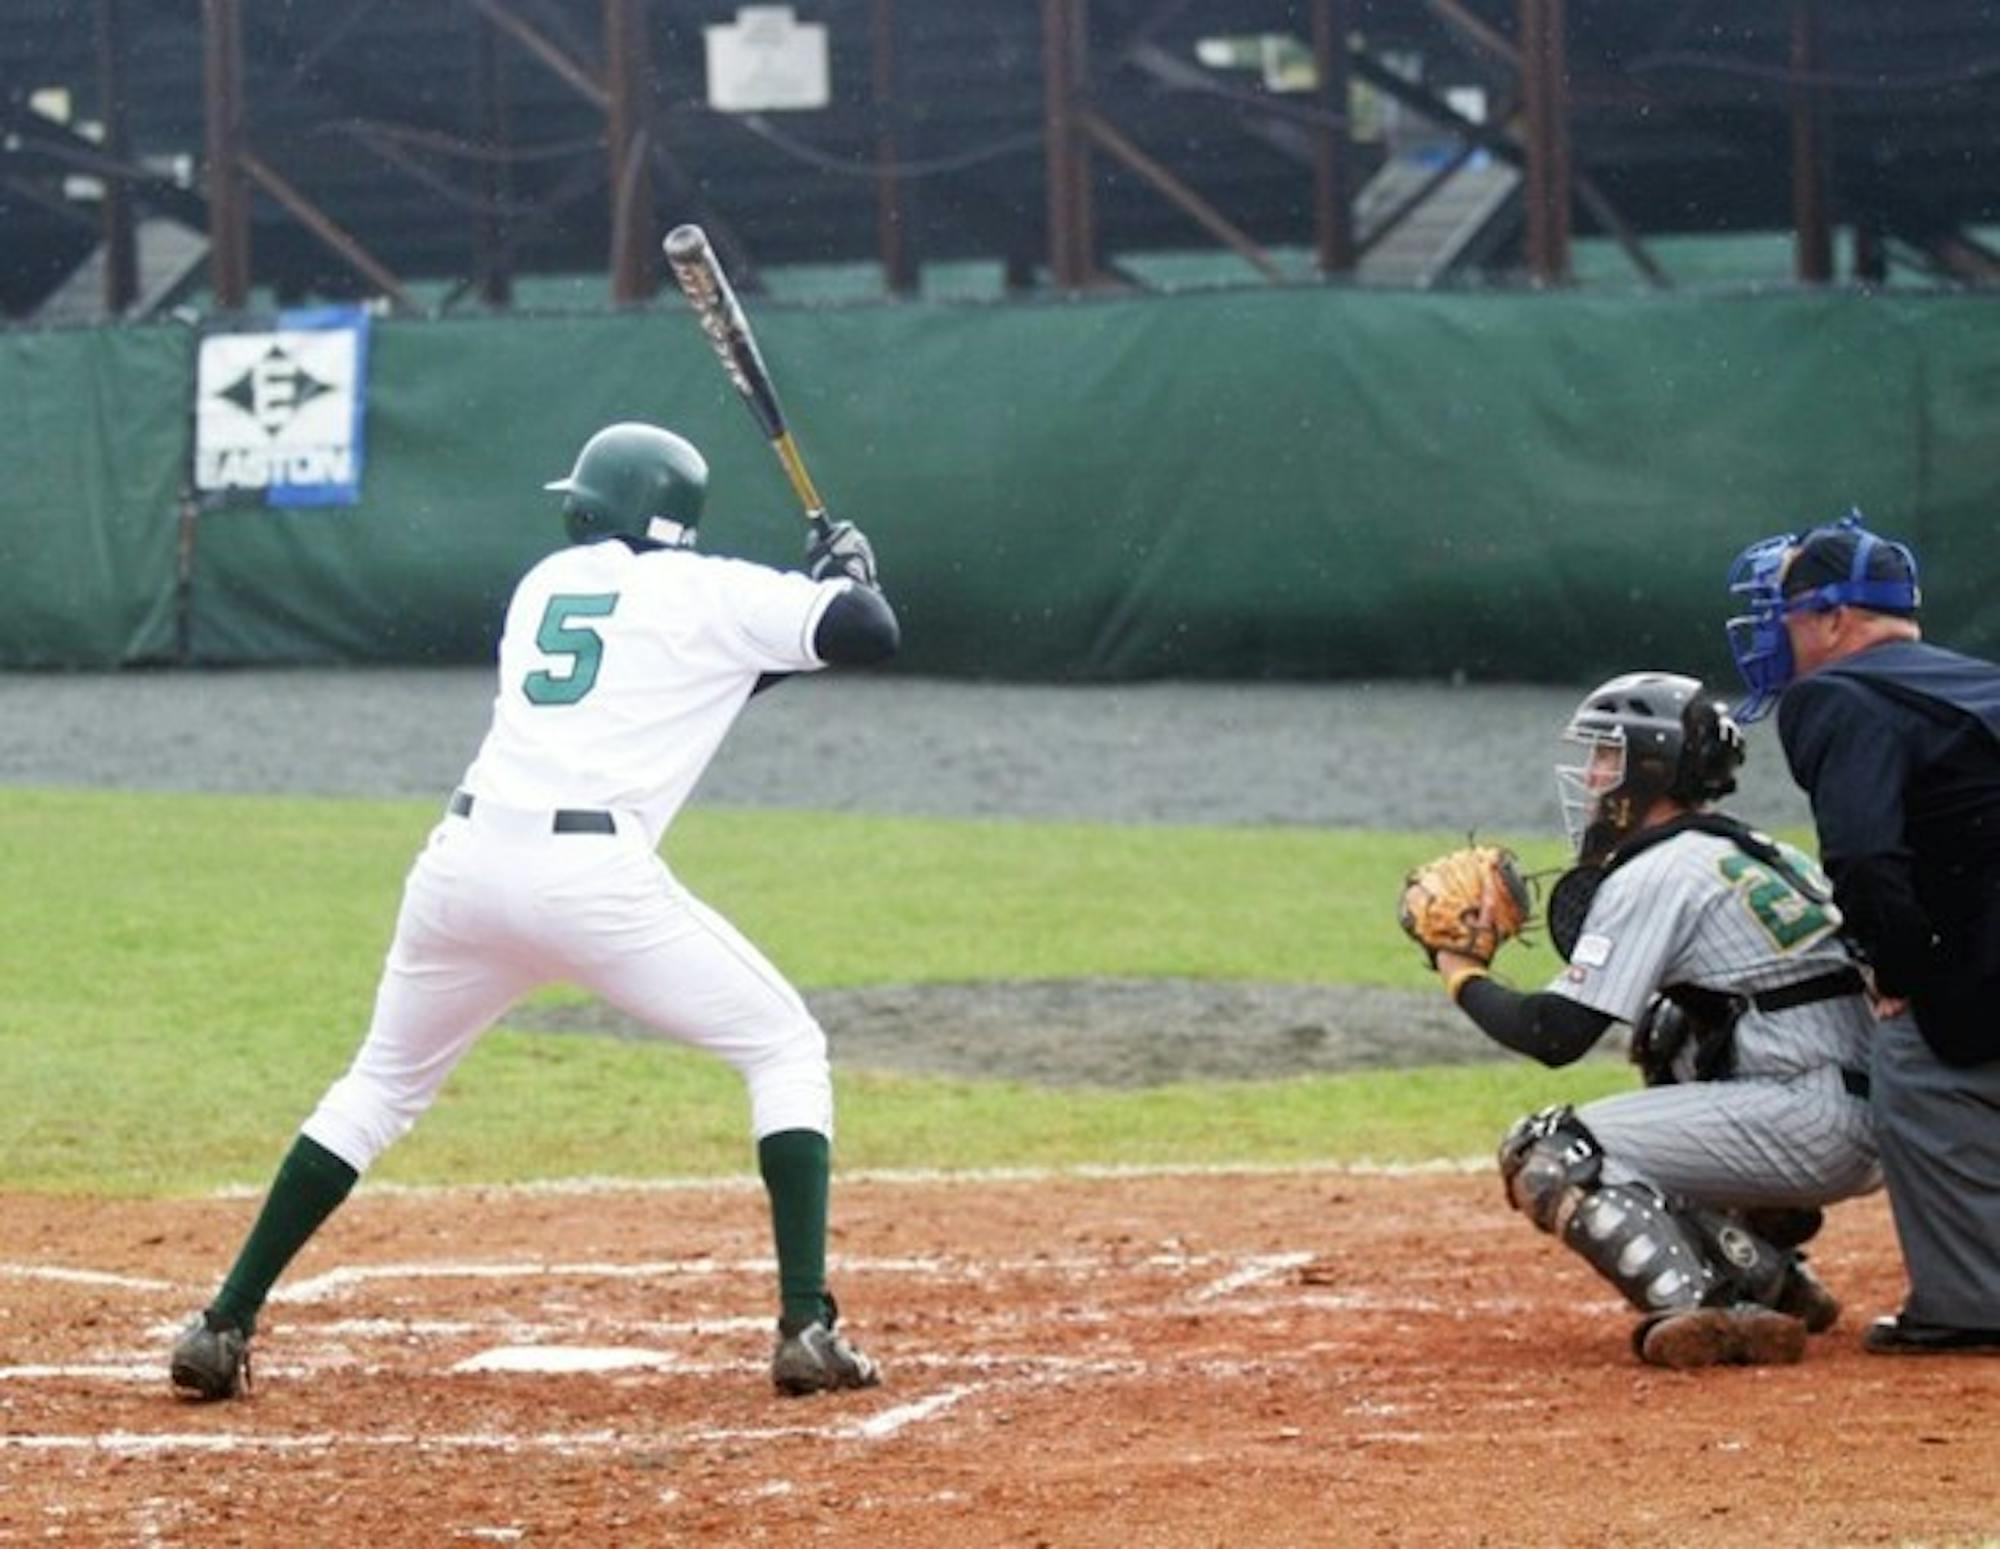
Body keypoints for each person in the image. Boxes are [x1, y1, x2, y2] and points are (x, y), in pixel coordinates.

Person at [169, 421, 900, 1400]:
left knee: (378, 1087)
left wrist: (826, 596)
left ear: (593, 506)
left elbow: (704, 667)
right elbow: (866, 637)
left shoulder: (545, 586)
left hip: (463, 868)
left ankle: (223, 1323)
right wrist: (848, 584)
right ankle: (805, 1326)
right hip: (591, 882)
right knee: (783, 1049)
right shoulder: (714, 591)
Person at [1421, 672, 1881, 1369]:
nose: (1592, 775)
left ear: (1652, 767)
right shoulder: (1752, 849)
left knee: (1550, 1149)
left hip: (1809, 1117)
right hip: (1870, 1112)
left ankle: (1705, 1305)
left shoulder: (1657, 869)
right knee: (1666, 1028)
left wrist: (1458, 967)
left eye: (1607, 756)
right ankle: (1775, 1279)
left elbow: (1555, 1035)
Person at [1726, 511, 2000, 1353]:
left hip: (1982, 955)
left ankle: (1970, 1305)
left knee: (1921, 1069)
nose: (1779, 629)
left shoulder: (1835, 695)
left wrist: (1901, 970)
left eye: (1790, 611)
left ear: (1836, 619)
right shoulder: (1979, 679)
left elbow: (1865, 855)